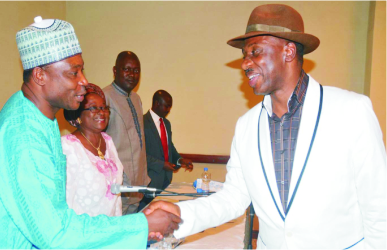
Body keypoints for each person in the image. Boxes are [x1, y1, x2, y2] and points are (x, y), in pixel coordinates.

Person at [144, 4, 386, 249]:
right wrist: (178, 213)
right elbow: (234, 198)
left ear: (288, 51)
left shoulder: (351, 111)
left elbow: (379, 206)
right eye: (244, 55)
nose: (245, 64)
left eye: (255, 52)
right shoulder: (247, 126)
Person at [0, 16, 180, 249]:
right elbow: (57, 234)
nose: (84, 81)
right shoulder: (24, 137)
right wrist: (142, 226)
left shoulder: (34, 114)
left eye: (82, 70)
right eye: (73, 73)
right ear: (40, 75)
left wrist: (135, 223)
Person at [62, 83, 123, 216]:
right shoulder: (68, 146)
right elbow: (66, 199)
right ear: (78, 114)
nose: (101, 112)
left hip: (112, 228)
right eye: (93, 108)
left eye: (103, 108)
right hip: (84, 231)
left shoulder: (108, 141)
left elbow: (116, 197)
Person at [102, 51, 150, 215]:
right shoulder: (105, 97)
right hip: (118, 181)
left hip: (138, 180)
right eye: (127, 69)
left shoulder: (136, 99)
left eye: (136, 71)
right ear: (115, 71)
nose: (132, 75)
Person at [138, 90, 193, 211]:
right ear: (157, 103)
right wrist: (162, 165)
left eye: (170, 106)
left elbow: (169, 147)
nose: (169, 109)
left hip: (165, 180)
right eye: (166, 106)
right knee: (145, 216)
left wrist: (180, 160)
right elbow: (140, 155)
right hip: (149, 182)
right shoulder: (141, 122)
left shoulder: (166, 123)